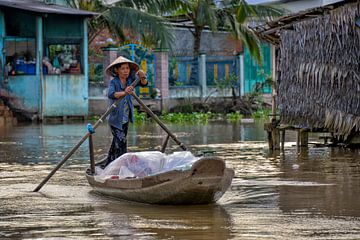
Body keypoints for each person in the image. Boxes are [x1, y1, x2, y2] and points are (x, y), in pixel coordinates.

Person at [103, 56, 148, 167]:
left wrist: (143, 76)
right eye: (122, 68)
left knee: (116, 143)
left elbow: (144, 83)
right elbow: (111, 94)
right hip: (115, 119)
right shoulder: (114, 82)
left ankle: (109, 163)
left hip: (125, 118)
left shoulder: (130, 81)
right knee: (121, 142)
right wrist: (124, 92)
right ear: (117, 70)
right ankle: (121, 165)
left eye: (127, 68)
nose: (125, 71)